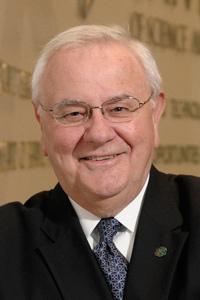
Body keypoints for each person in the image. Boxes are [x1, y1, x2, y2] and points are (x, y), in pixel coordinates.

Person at [0, 24, 200, 300]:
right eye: (72, 113)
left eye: (119, 108)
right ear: (42, 125)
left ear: (155, 115)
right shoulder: (6, 244)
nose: (99, 133)